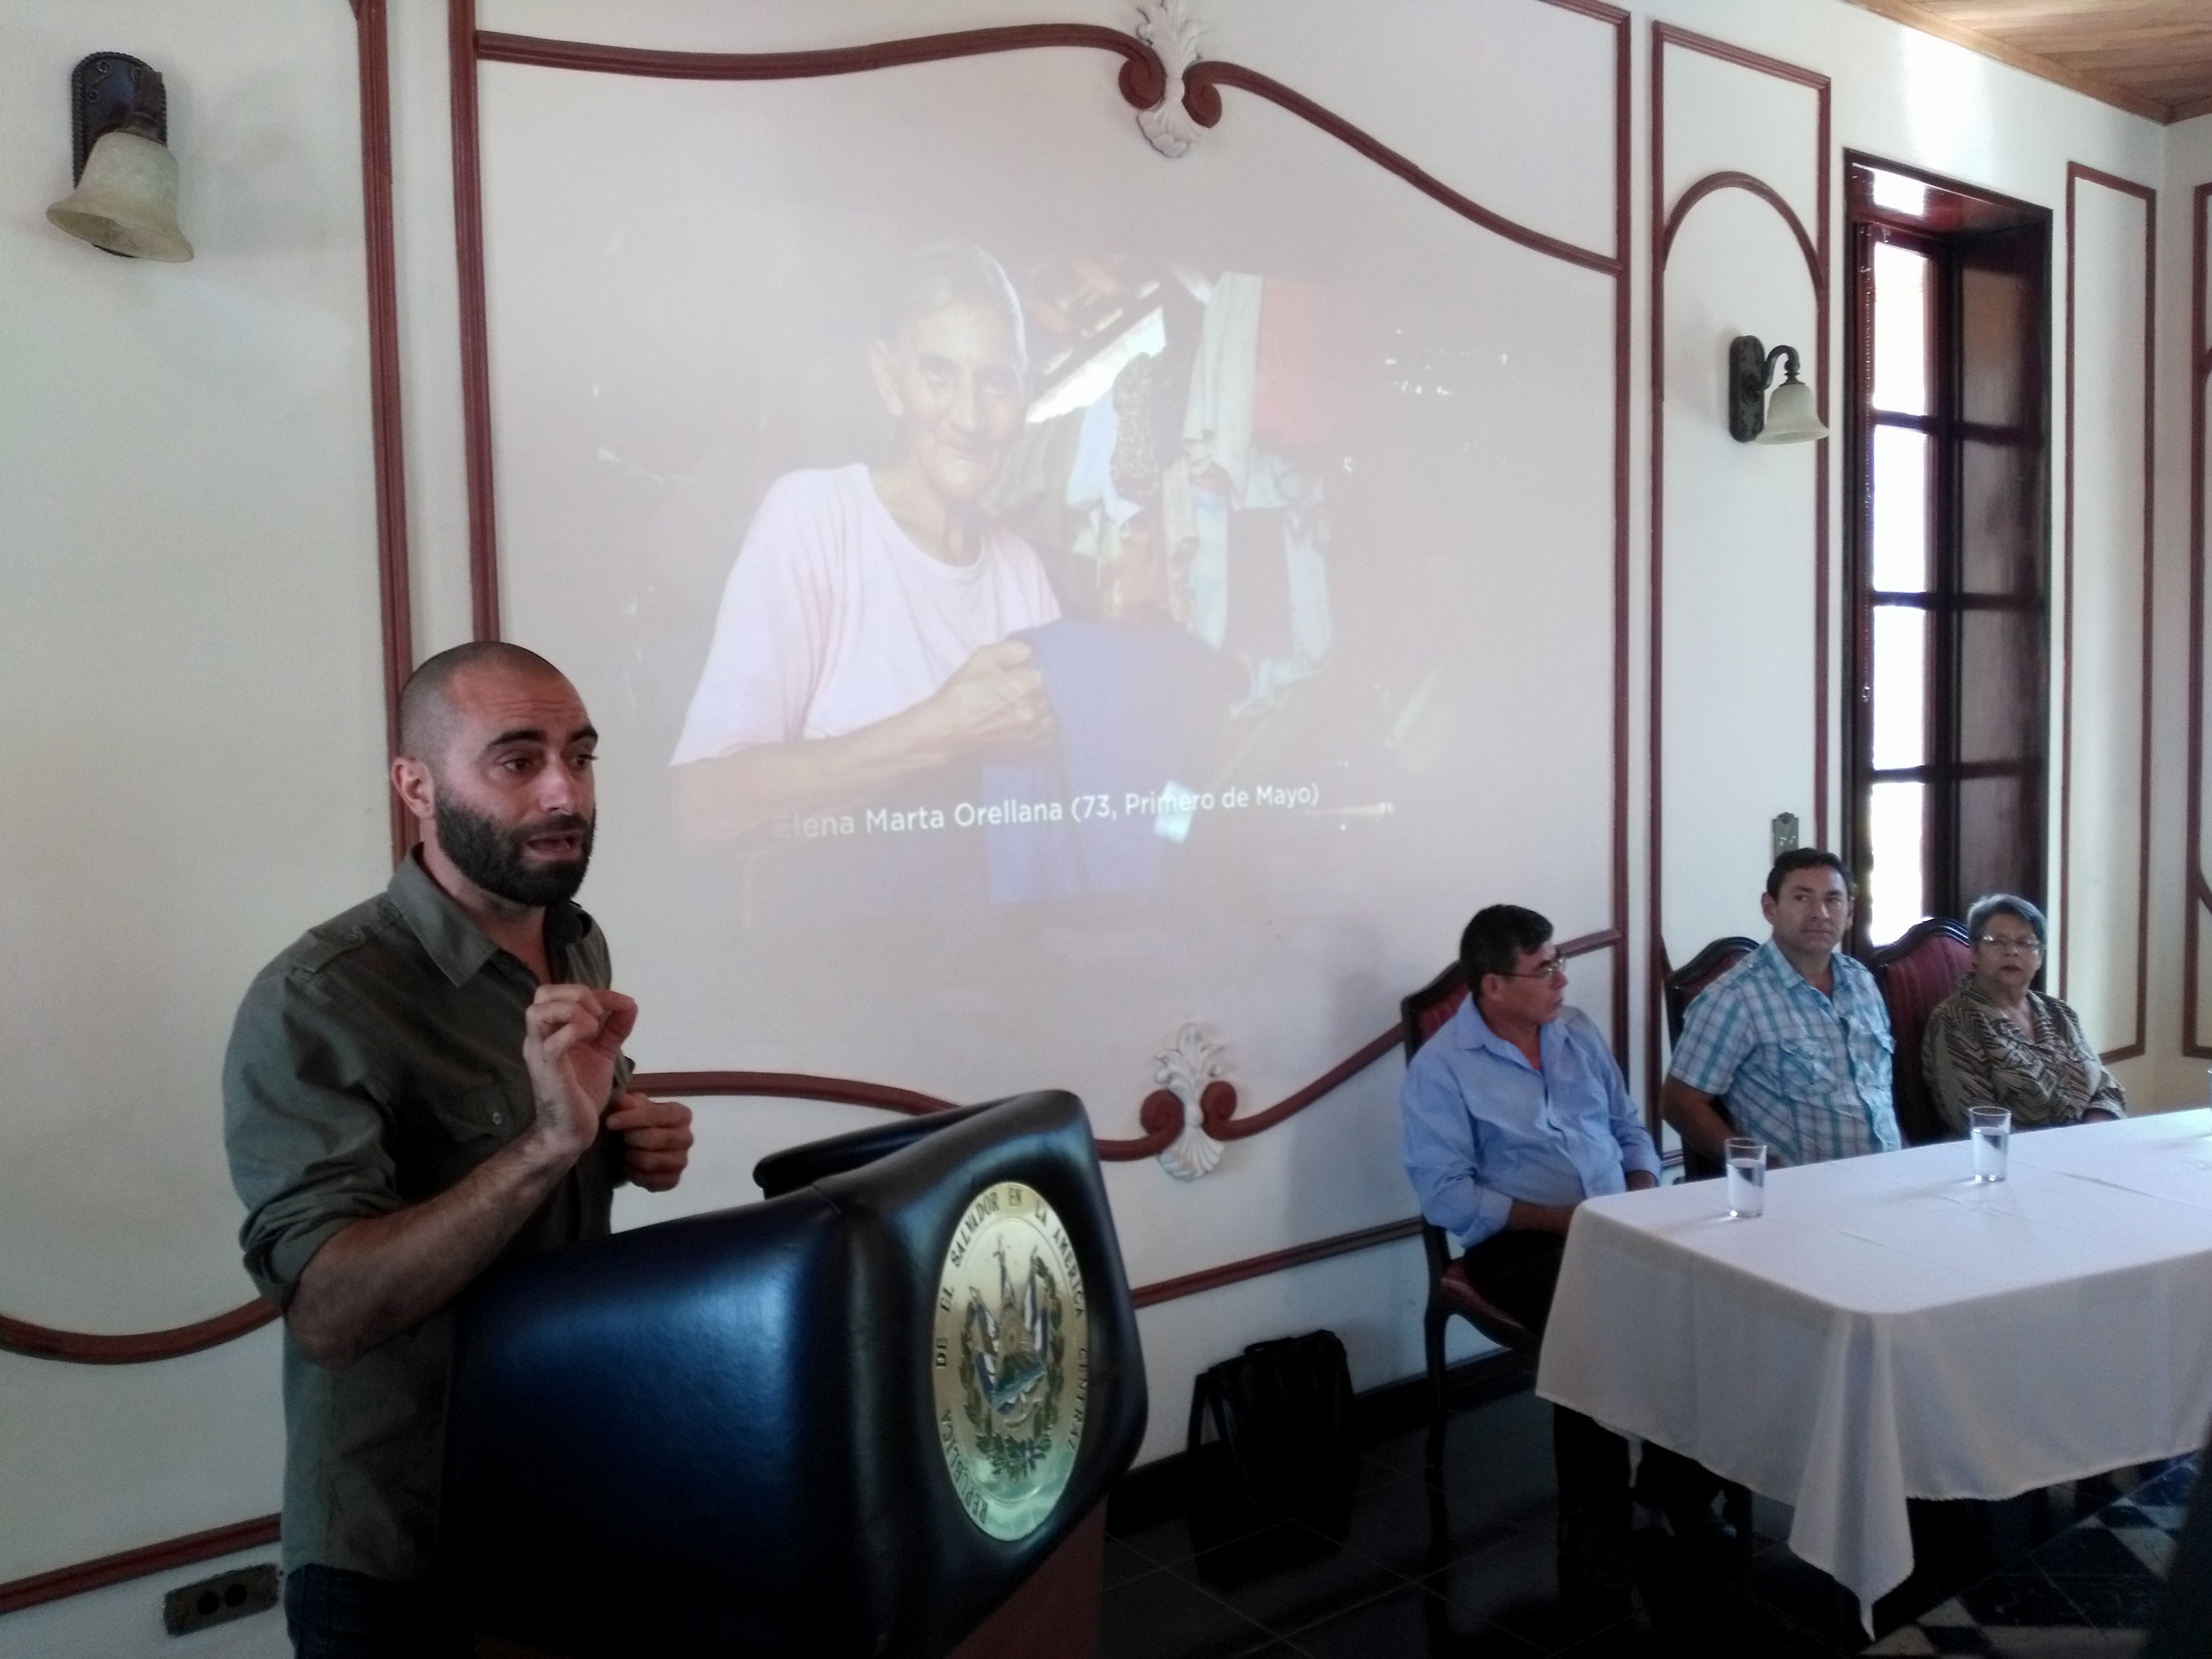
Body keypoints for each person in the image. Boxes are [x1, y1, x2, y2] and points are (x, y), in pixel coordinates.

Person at [223, 641, 696, 1658]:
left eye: (581, 756)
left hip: (572, 1490)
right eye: (518, 761)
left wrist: (628, 1140)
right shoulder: (321, 999)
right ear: (417, 788)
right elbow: (330, 1313)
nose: (565, 793)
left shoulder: (573, 938)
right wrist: (545, 1148)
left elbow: (564, 1137)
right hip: (404, 1556)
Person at [670, 241, 1062, 840]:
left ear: (1023, 395)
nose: (969, 417)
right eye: (938, 373)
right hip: (847, 901)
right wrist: (941, 730)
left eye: (995, 384)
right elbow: (700, 807)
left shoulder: (1021, 572)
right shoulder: (814, 516)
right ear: (888, 378)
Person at [1401, 904, 1714, 1587]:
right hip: (1518, 1241)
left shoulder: (1575, 1031)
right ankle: (1593, 1518)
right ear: (1492, 985)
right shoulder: (1441, 1069)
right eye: (1543, 969)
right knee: (1592, 1317)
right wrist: (1564, 1220)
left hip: (1616, 1216)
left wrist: (1639, 1191)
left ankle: (1676, 1484)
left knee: (1703, 1291)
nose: (1561, 980)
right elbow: (1446, 1197)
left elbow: (1628, 1128)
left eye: (1559, 962)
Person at [1663, 849, 1903, 1169]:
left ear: (1850, 913)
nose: (1820, 913)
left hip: (1891, 1173)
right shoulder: (1735, 997)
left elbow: (1878, 1095)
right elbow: (1680, 1104)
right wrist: (1757, 1167)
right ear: (1770, 908)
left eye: (1833, 900)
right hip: (1801, 1188)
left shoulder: (1862, 982)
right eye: (1802, 898)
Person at [1923, 893, 2125, 1134]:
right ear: (1974, 952)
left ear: (2040, 957)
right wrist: (2067, 1147)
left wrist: (2093, 1131)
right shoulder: (1955, 1020)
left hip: (2090, 1142)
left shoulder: (2059, 1011)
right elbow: (1979, 1122)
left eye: (2025, 943)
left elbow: (2105, 1086)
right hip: (2013, 1154)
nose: (2012, 951)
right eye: (1997, 941)